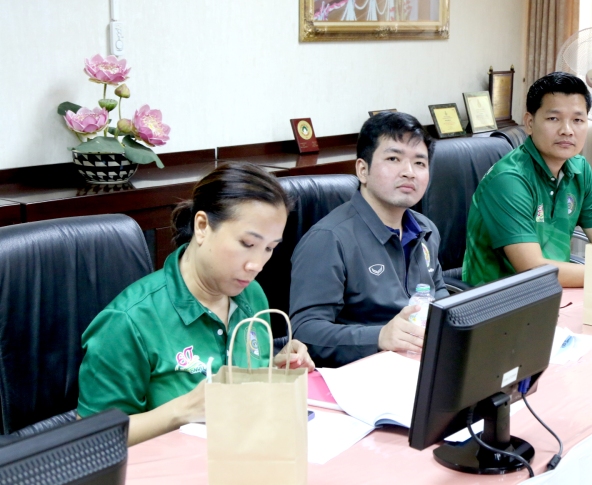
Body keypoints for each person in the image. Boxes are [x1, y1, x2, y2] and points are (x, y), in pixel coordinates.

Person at [77, 163, 315, 446]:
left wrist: (273, 369)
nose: (257, 265)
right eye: (247, 244)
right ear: (202, 226)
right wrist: (183, 410)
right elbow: (91, 437)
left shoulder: (252, 296)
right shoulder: (128, 321)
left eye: (269, 248)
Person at [462, 72, 592, 288]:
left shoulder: (579, 169)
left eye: (578, 120)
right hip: (500, 298)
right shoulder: (510, 180)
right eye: (554, 119)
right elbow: (532, 269)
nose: (567, 131)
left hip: (557, 292)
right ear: (530, 123)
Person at [290, 112, 447, 367]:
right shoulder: (329, 240)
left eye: (420, 163)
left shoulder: (426, 230)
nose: (409, 172)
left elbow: (438, 294)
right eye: (394, 159)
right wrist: (380, 337)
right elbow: (305, 332)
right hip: (361, 372)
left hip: (422, 362)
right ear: (362, 170)